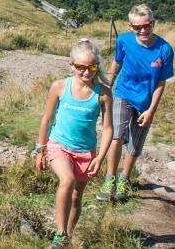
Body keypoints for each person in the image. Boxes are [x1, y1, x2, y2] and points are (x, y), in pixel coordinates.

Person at [36, 39, 114, 249]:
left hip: (86, 151)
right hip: (59, 144)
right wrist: (40, 149)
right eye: (81, 67)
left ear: (97, 65)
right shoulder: (60, 86)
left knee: (77, 197)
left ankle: (66, 238)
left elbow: (108, 128)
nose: (86, 72)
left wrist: (100, 157)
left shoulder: (104, 93)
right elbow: (47, 119)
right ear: (72, 65)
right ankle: (60, 233)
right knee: (67, 180)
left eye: (92, 67)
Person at [96, 4, 175, 202]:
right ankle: (109, 179)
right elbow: (117, 63)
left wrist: (151, 110)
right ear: (130, 26)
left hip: (146, 102)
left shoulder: (164, 50)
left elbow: (160, 82)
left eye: (146, 26)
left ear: (153, 23)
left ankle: (124, 179)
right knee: (117, 136)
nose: (142, 31)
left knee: (134, 144)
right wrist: (107, 86)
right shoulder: (123, 40)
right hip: (123, 93)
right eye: (136, 27)